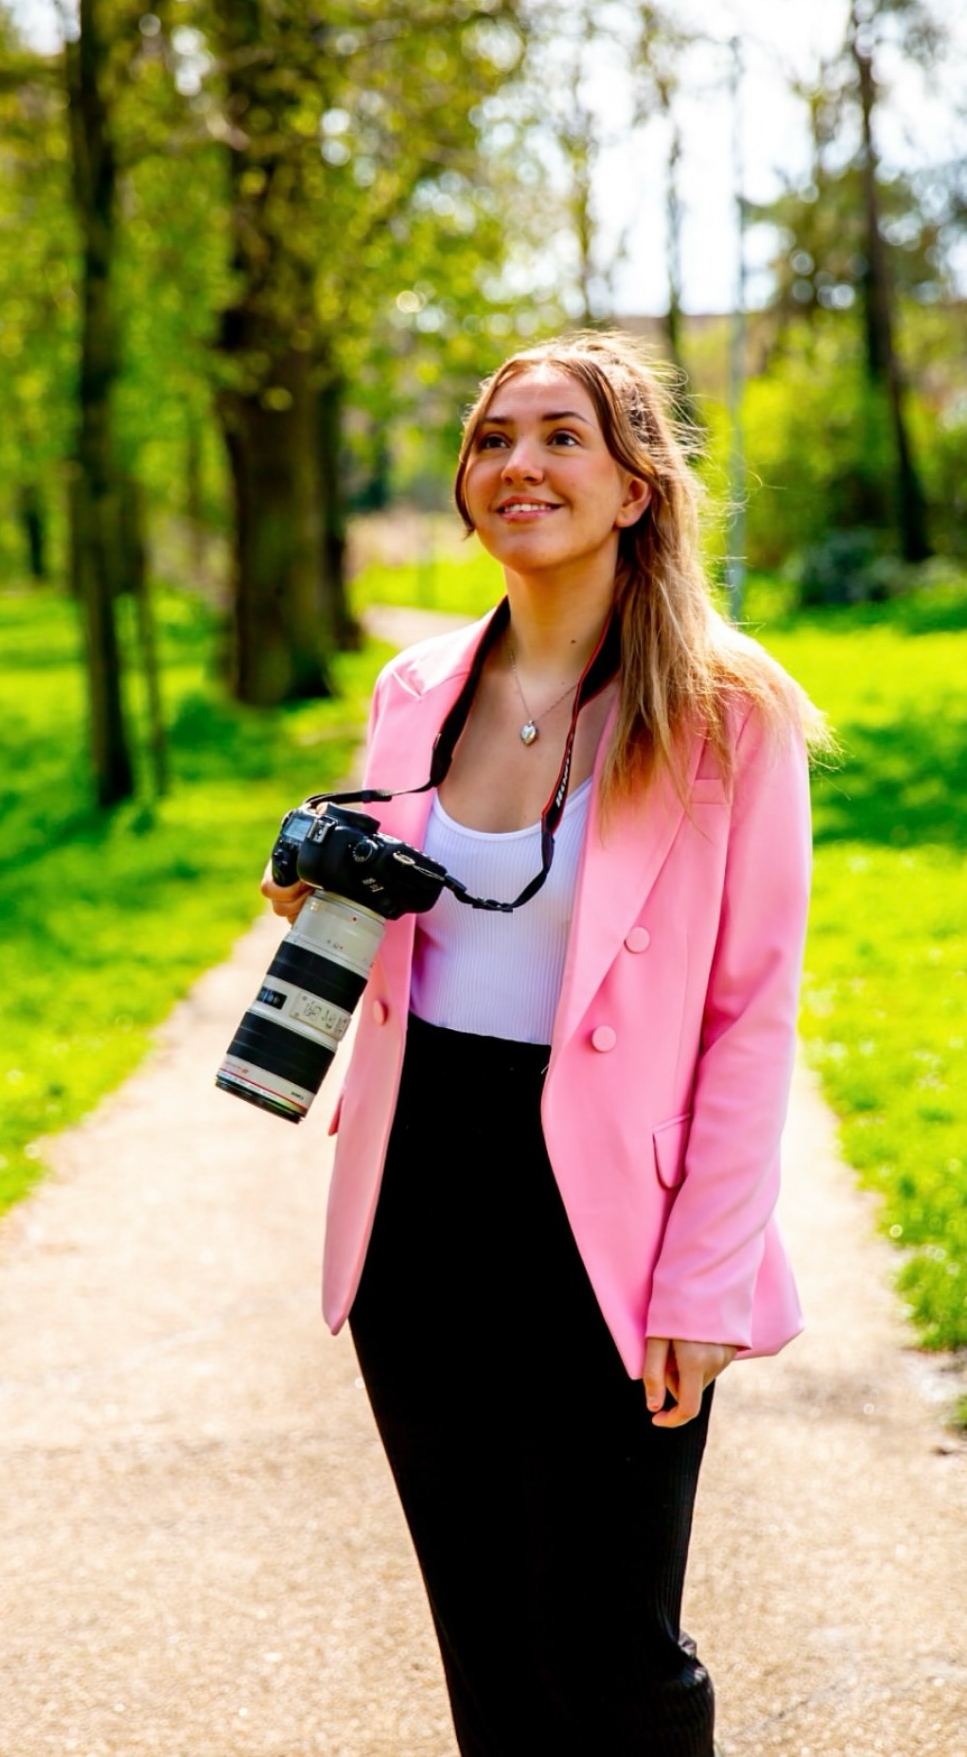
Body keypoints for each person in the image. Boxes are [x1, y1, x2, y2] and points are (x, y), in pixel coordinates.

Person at [262, 328, 827, 1757]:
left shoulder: (727, 709)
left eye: (563, 436)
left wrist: (705, 1279)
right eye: (494, 438)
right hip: (421, 1197)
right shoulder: (417, 688)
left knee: (610, 1648)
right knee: (489, 1640)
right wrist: (317, 889)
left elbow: (750, 1011)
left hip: (611, 1219)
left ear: (638, 485)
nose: (519, 464)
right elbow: (425, 923)